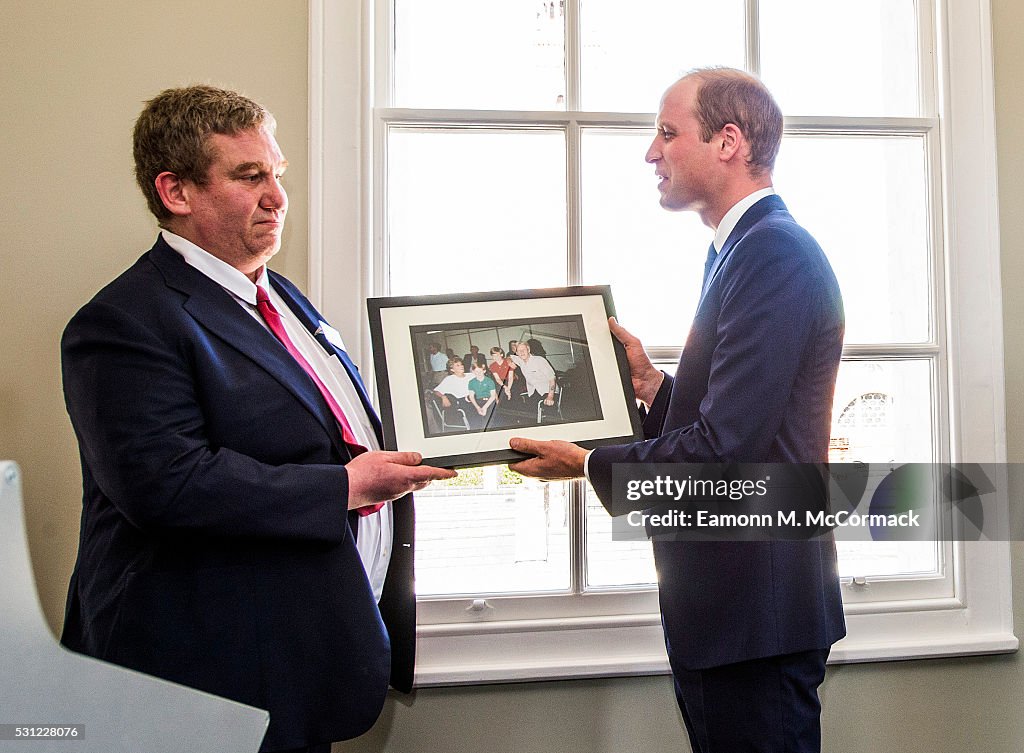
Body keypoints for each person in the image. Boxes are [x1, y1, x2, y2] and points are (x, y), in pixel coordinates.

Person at [59, 85, 455, 753]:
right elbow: (168, 485)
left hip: (295, 664)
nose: (276, 196)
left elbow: (318, 427)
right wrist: (348, 487)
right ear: (175, 191)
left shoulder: (280, 296)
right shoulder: (122, 322)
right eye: (250, 177)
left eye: (277, 173)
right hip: (202, 681)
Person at [509, 67, 846, 753]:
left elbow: (726, 452)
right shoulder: (737, 253)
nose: (650, 152)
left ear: (728, 142)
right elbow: (744, 425)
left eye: (667, 132)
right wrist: (651, 387)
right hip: (730, 618)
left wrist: (588, 463)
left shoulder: (772, 253)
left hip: (756, 620)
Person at [510, 340, 557, 423]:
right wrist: (510, 362)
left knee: (548, 412)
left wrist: (550, 396)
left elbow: (552, 378)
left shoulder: (539, 361)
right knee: (523, 412)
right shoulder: (520, 361)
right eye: (519, 351)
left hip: (549, 391)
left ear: (528, 349)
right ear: (516, 352)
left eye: (523, 350)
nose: (521, 352)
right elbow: (509, 358)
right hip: (534, 393)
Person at [433, 358, 475, 429]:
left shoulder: (471, 375)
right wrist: (443, 397)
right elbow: (436, 391)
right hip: (462, 401)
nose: (462, 366)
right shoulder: (449, 379)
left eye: (461, 364)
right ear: (452, 369)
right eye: (458, 365)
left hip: (475, 397)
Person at [466, 362, 498, 428]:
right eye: (476, 371)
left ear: (484, 371)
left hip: (489, 401)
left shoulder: (489, 381)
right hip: (478, 401)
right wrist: (477, 407)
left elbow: (493, 396)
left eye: (480, 371)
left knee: (488, 417)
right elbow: (471, 396)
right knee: (475, 418)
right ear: (473, 372)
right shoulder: (471, 382)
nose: (478, 373)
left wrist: (484, 407)